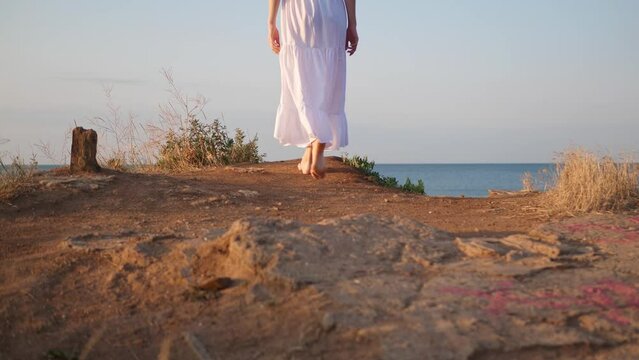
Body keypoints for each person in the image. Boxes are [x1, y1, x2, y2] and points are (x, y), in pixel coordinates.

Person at [268, 0, 358, 179]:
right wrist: (352, 24)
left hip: (298, 13)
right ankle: (312, 151)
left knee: (301, 80)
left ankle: (317, 137)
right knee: (328, 79)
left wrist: (271, 23)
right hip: (333, 14)